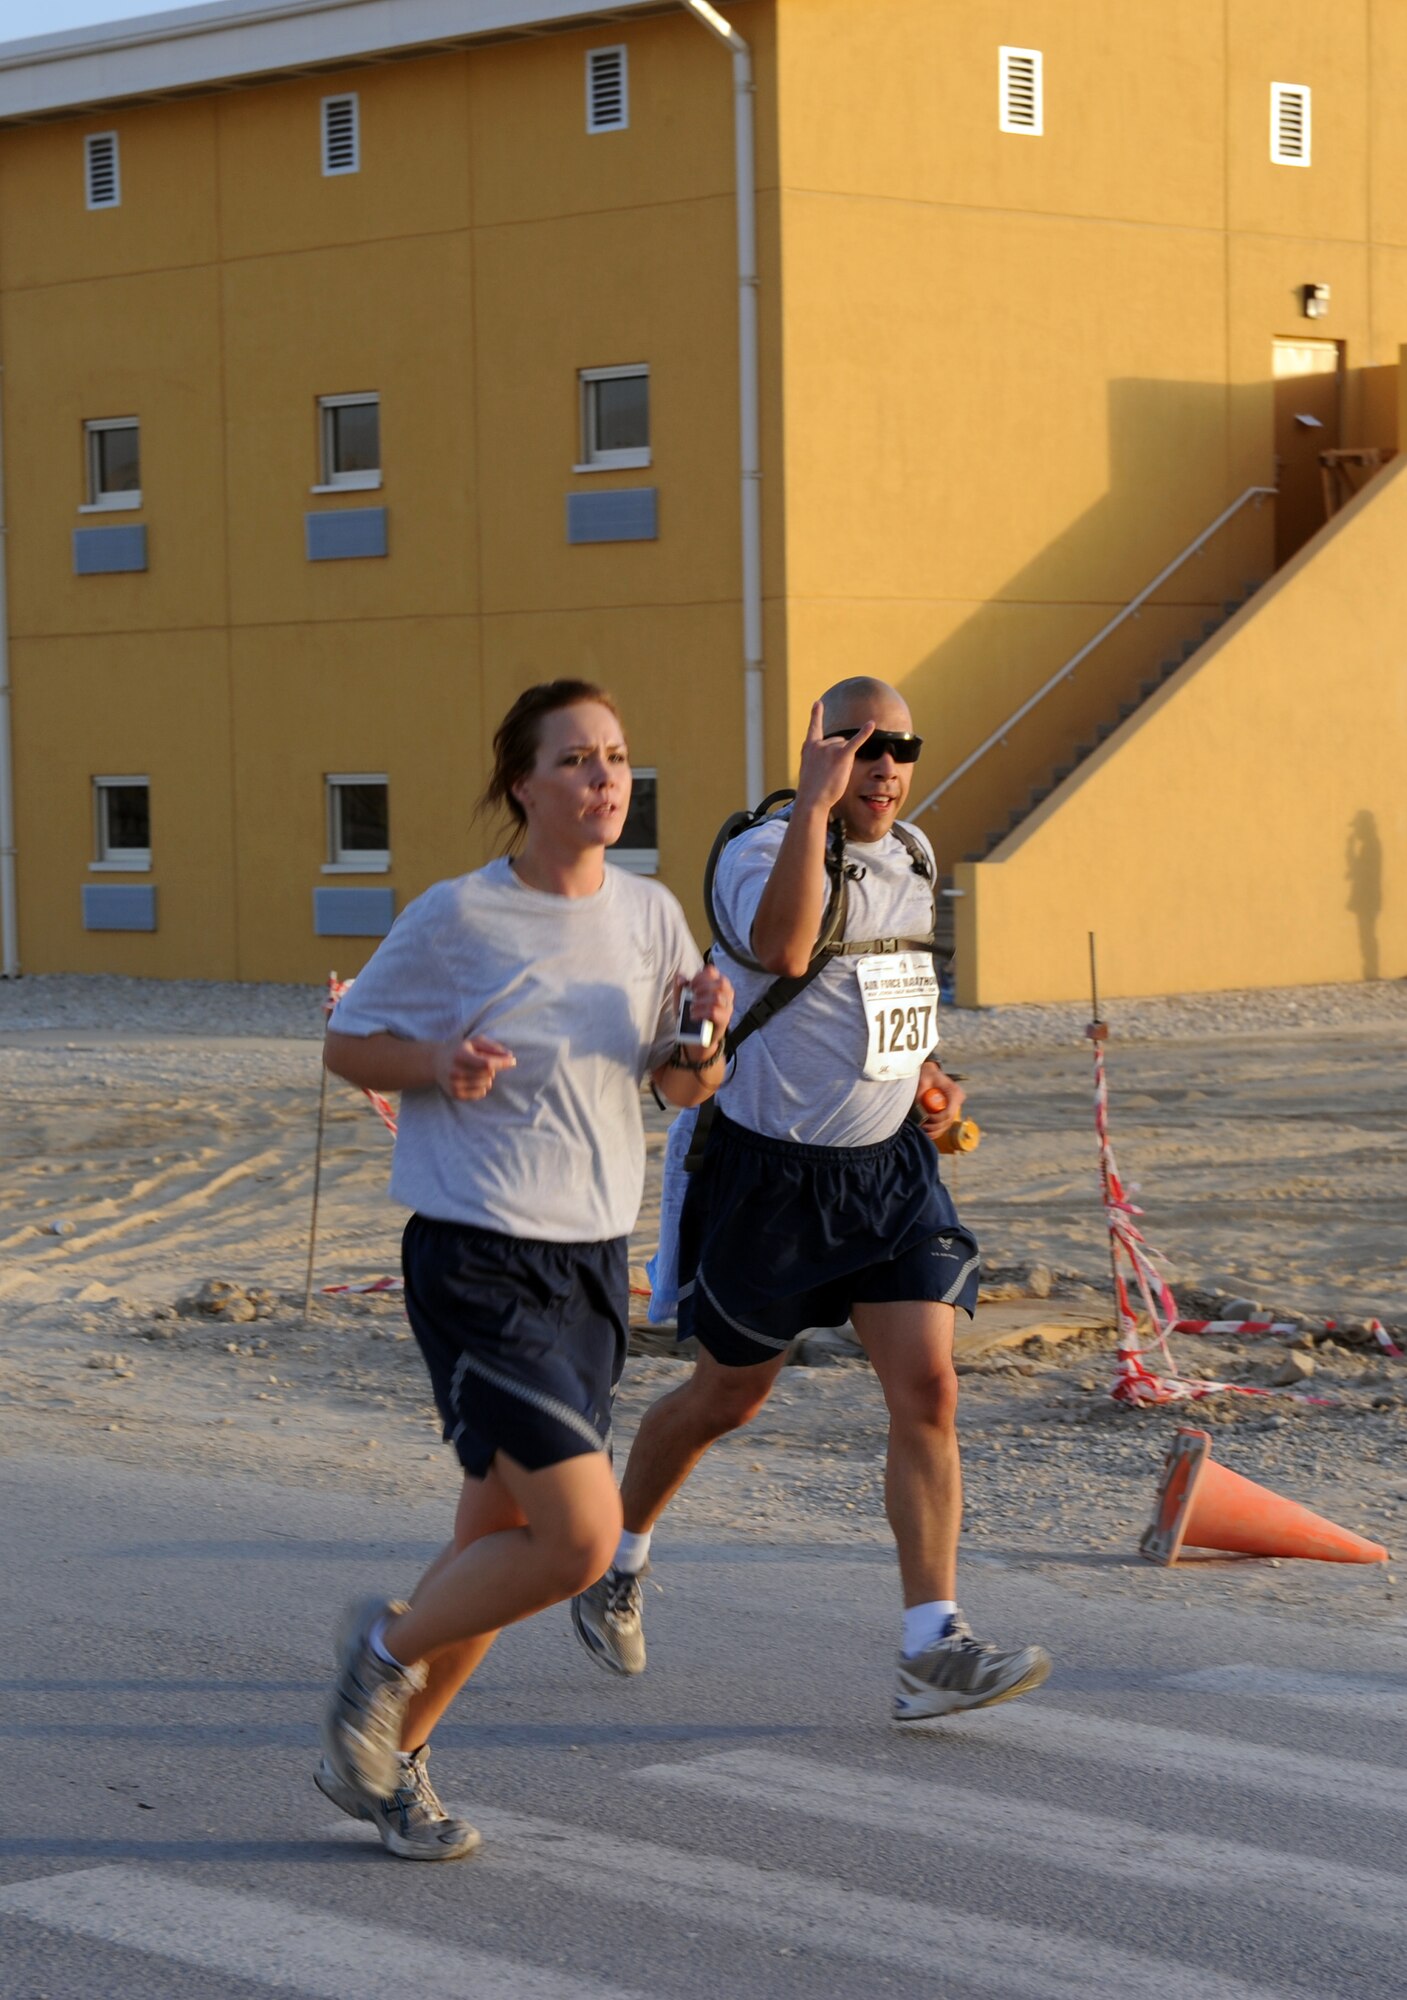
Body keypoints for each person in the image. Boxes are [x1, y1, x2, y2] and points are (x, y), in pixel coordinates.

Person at [572, 677, 1051, 1723]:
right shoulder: (759, 850)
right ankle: (616, 1553)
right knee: (729, 1395)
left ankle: (932, 1643)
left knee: (928, 1388)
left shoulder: (917, 857)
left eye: (899, 746)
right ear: (819, 746)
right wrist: (814, 810)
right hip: (769, 1178)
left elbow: (894, 992)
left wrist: (931, 1073)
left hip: (885, 1173)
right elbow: (786, 951)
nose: (882, 765)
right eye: (857, 742)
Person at [316, 680, 733, 1858]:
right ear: (522, 785)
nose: (607, 778)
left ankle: (391, 1767)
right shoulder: (459, 917)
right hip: (479, 1255)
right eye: (578, 760)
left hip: (593, 1262)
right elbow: (349, 1042)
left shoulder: (651, 914)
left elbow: (676, 1083)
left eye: (617, 757)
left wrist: (702, 1033)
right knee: (578, 1540)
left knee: (495, 1539)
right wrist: (438, 1058)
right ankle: (379, 1658)